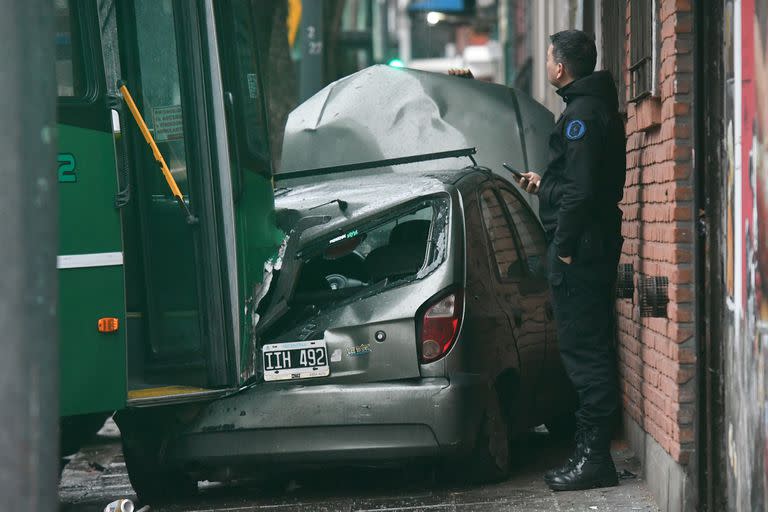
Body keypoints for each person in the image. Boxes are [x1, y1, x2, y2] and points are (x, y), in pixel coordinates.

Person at [516, 30, 626, 491]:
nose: (546, 66)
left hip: (580, 251)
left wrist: (561, 246)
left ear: (560, 67)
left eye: (547, 59)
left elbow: (583, 192)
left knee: (584, 354)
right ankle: (588, 454)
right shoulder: (590, 108)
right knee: (588, 349)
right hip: (590, 245)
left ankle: (593, 459)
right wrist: (547, 183)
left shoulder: (580, 116)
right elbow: (581, 184)